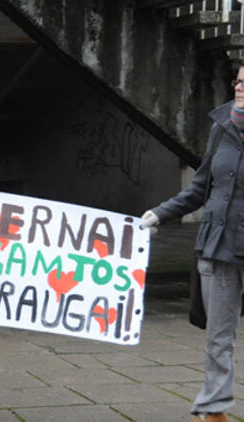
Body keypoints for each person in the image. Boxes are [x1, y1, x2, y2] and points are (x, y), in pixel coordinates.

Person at [141, 59, 244, 422]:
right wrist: (159, 214)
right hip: (219, 244)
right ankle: (214, 410)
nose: (238, 88)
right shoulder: (223, 128)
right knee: (218, 336)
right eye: (238, 81)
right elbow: (200, 188)